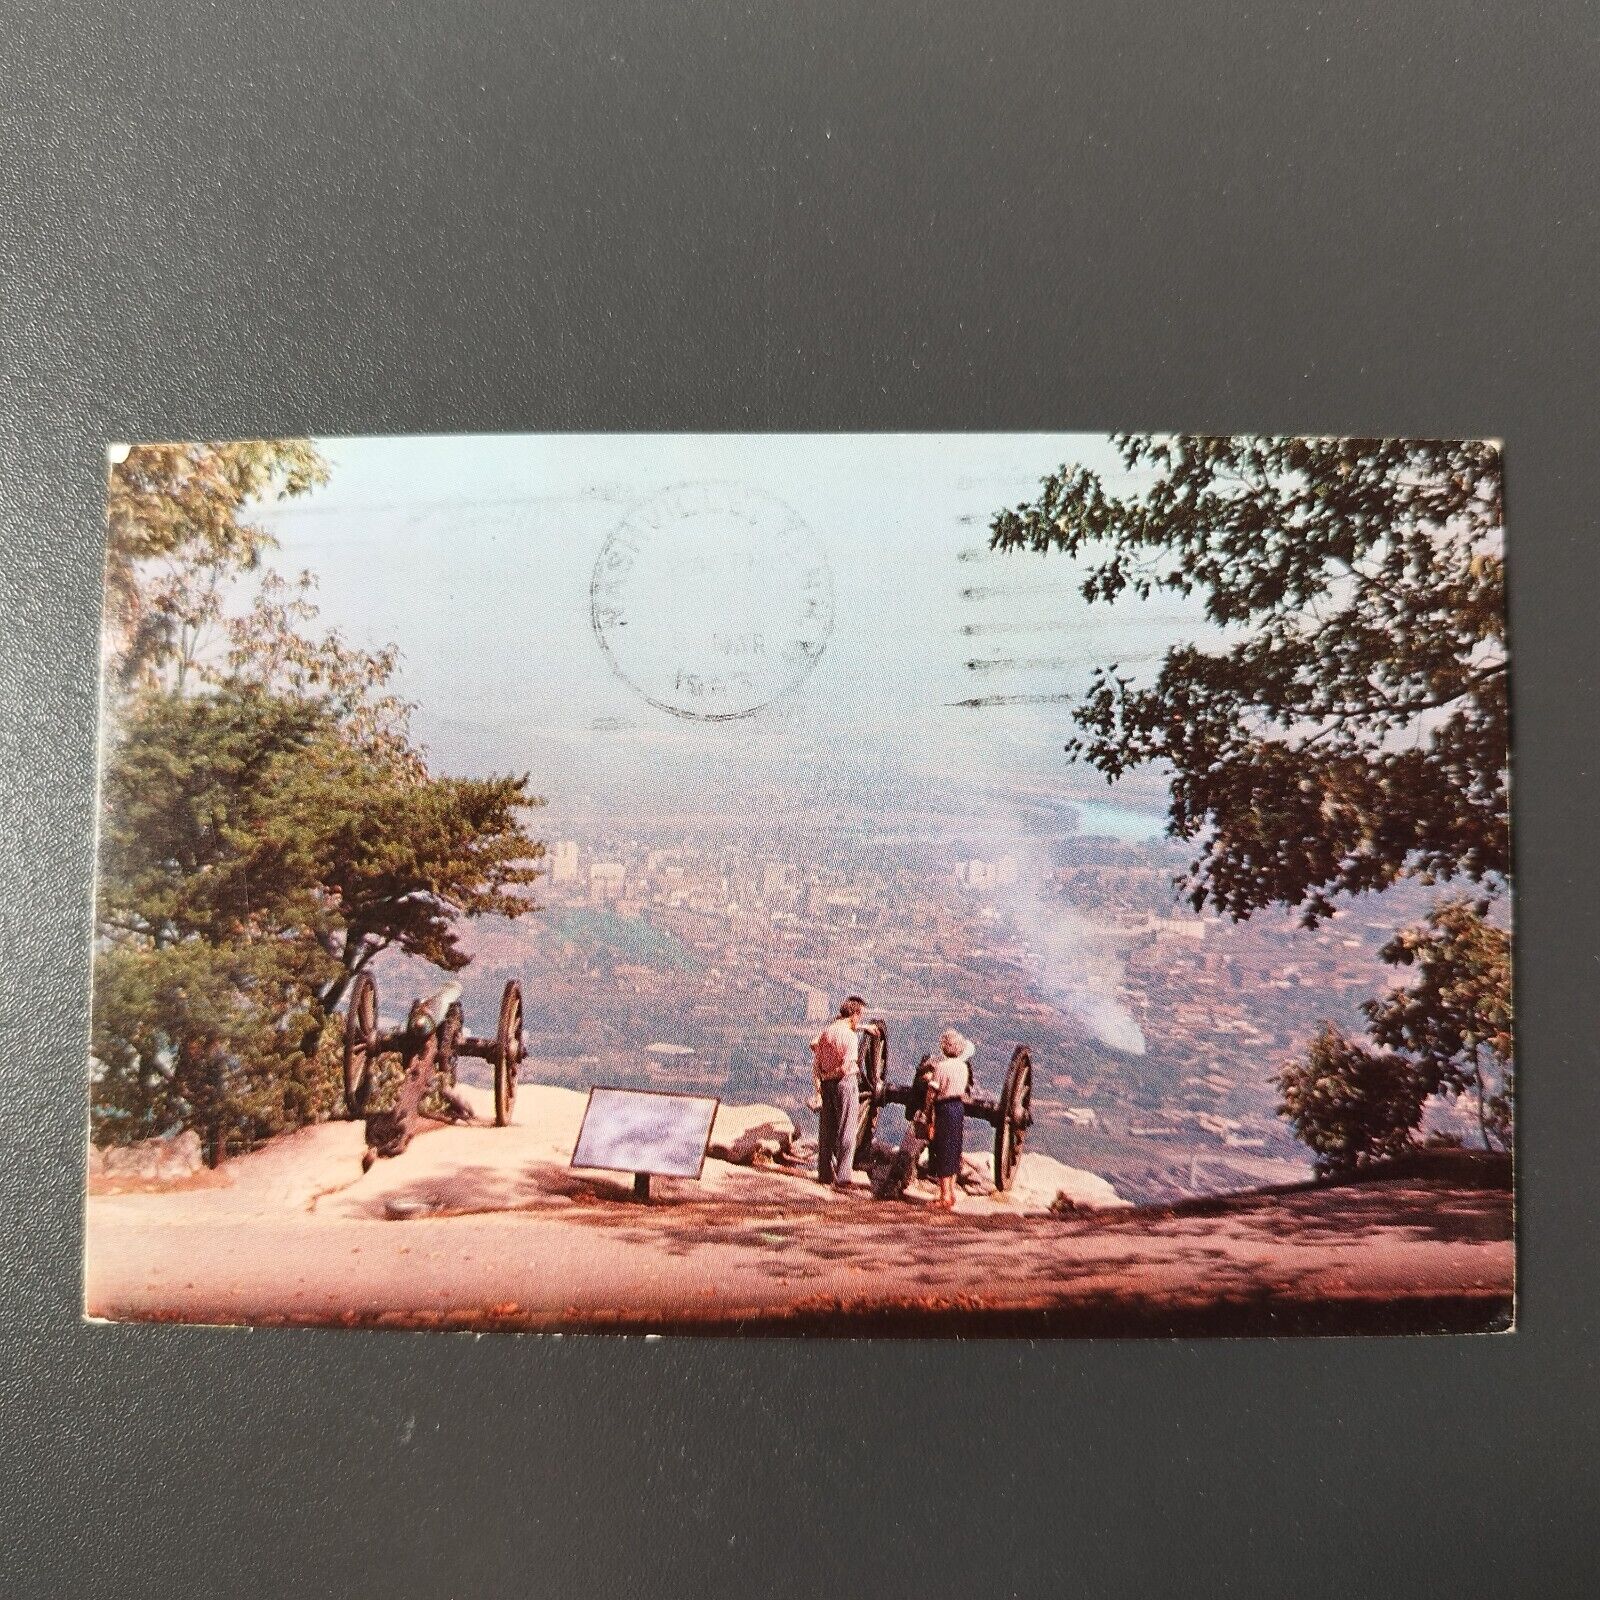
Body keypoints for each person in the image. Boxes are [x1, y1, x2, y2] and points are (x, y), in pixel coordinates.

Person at [810, 995, 880, 1188]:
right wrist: (834, 1073)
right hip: (844, 1083)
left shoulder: (826, 1032)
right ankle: (843, 1177)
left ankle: (824, 1174)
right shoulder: (849, 1037)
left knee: (827, 1130)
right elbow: (847, 1065)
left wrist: (824, 1078)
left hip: (827, 1085)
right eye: (860, 1016)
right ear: (855, 1014)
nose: (860, 1020)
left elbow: (814, 1046)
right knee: (847, 1130)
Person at [926, 1029, 974, 1210]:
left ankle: (944, 1196)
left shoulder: (941, 1067)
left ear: (944, 1047)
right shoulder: (963, 1067)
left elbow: (932, 1093)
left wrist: (927, 1112)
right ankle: (951, 1193)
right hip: (958, 1108)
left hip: (944, 1108)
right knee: (954, 1149)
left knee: (943, 1150)